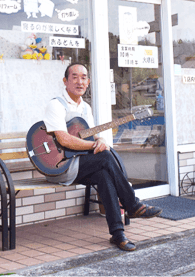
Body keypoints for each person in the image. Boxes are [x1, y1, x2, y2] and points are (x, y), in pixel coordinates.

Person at [43, 62, 162, 251]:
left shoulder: (85, 108)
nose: (79, 81)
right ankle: (132, 204)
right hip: (61, 166)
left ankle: (118, 234)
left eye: (83, 78)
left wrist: (99, 140)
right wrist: (95, 145)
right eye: (74, 77)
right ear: (65, 81)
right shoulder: (56, 105)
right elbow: (64, 140)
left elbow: (90, 134)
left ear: (88, 82)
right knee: (106, 157)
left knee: (104, 174)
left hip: (82, 164)